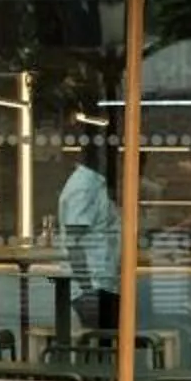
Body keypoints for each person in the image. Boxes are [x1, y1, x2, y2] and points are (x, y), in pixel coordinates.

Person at [57, 137, 121, 334]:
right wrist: (87, 291)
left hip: (101, 284)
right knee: (100, 349)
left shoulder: (95, 184)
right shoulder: (84, 187)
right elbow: (74, 243)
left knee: (105, 348)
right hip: (93, 286)